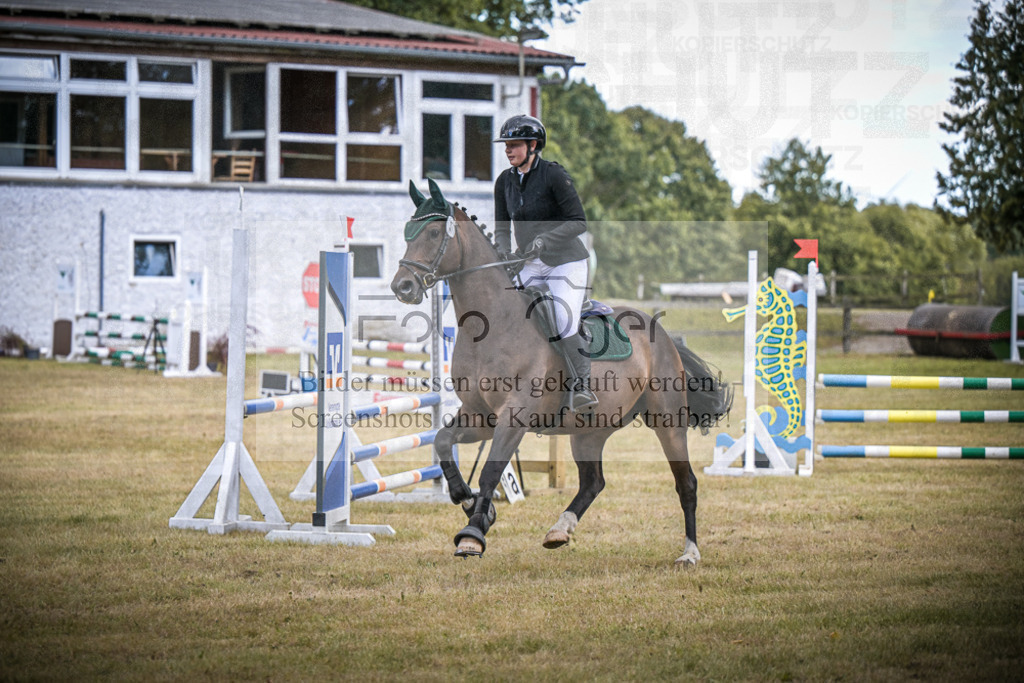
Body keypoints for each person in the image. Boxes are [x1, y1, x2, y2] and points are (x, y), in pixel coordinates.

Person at [493, 114, 598, 413]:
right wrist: (503, 254)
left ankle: (582, 387)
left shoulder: (553, 175)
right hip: (528, 263)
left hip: (565, 262)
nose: (508, 150)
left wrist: (545, 240)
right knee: (504, 310)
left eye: (514, 145)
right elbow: (502, 228)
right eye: (506, 146)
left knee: (563, 319)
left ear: (533, 145)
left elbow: (579, 222)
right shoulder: (504, 182)